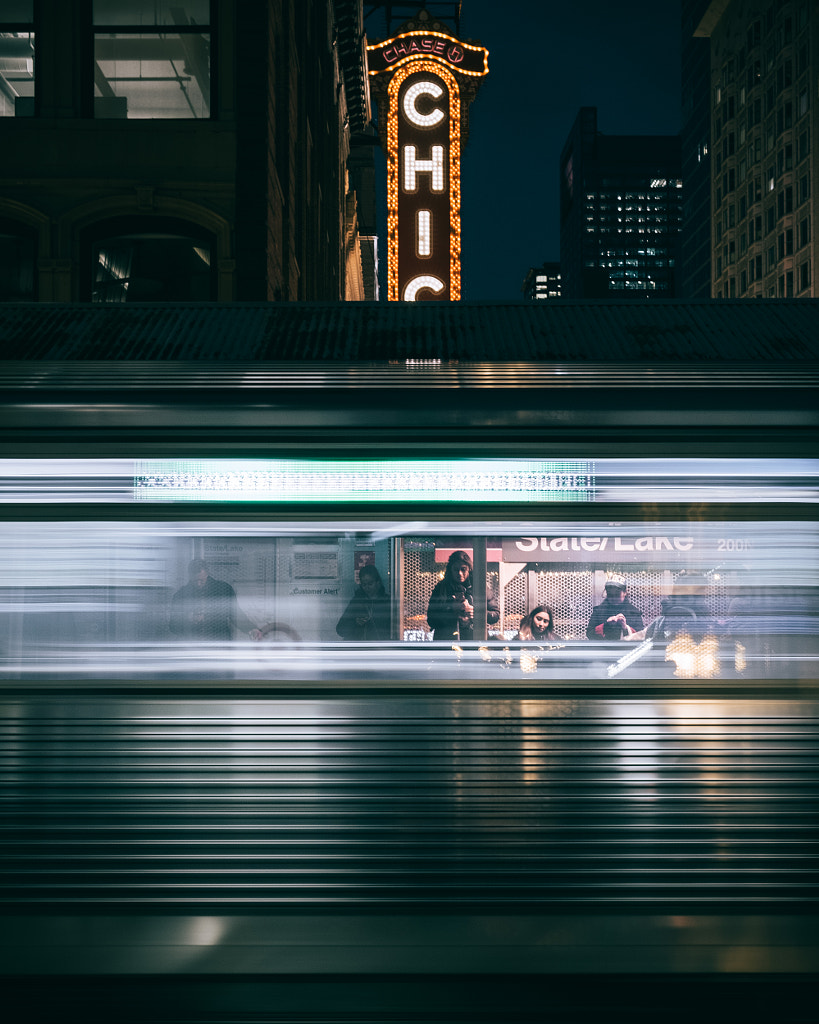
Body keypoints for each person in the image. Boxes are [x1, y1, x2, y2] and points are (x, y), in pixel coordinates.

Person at [170, 559, 262, 641]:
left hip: (219, 644)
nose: (198, 584)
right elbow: (173, 626)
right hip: (193, 647)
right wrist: (188, 618)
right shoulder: (181, 595)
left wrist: (251, 628)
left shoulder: (223, 589)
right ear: (189, 576)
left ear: (207, 573)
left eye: (201, 580)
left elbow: (235, 614)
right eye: (195, 580)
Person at [426, 549, 500, 642]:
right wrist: (451, 610)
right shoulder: (441, 588)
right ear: (450, 570)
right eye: (456, 569)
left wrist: (476, 613)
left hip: (475, 643)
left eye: (463, 569)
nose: (459, 573)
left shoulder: (480, 588)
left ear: (469, 569)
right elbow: (431, 620)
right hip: (447, 644)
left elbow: (495, 615)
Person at [335, 564, 392, 641]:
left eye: (370, 584)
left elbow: (394, 628)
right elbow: (340, 630)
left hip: (381, 647)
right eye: (364, 585)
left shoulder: (387, 601)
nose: (367, 588)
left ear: (378, 583)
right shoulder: (357, 601)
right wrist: (355, 623)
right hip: (360, 647)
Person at [585, 573, 644, 640]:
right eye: (610, 595)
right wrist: (605, 626)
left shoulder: (634, 612)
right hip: (603, 649)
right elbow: (589, 633)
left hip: (627, 650)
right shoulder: (598, 611)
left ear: (625, 593)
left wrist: (625, 627)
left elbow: (640, 636)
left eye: (617, 594)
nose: (614, 598)